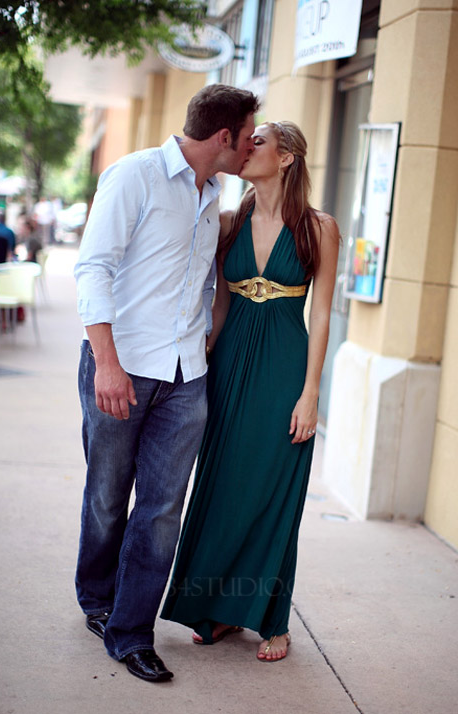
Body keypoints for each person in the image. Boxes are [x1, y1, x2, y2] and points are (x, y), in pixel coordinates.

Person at [73, 83, 259, 682]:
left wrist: (203, 327)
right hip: (120, 366)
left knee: (159, 510)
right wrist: (105, 360)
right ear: (224, 137)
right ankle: (97, 599)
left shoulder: (215, 195)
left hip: (185, 375)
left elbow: (202, 275)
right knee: (106, 497)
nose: (252, 145)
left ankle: (130, 632)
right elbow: (93, 267)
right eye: (248, 135)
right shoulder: (135, 175)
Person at [160, 121, 340, 662]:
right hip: (230, 363)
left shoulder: (319, 228)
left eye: (256, 141)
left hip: (284, 368)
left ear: (286, 158)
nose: (245, 148)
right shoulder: (230, 222)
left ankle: (270, 619)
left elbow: (324, 313)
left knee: (274, 492)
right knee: (221, 485)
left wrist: (311, 393)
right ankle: (216, 609)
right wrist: (202, 358)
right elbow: (218, 302)